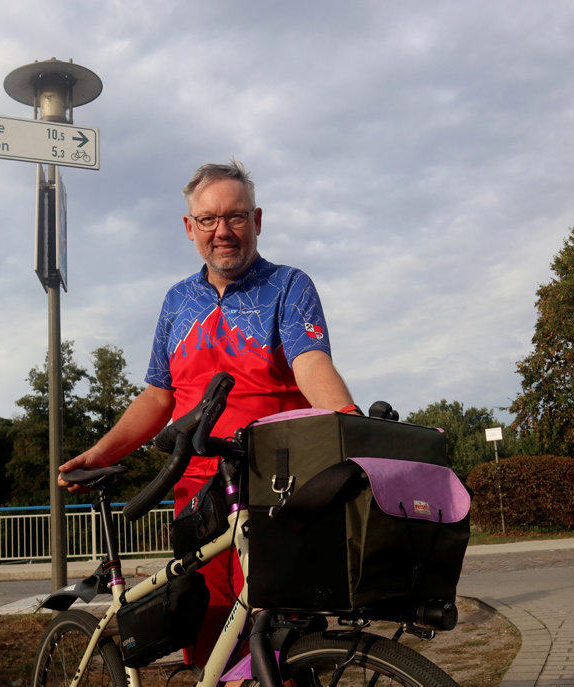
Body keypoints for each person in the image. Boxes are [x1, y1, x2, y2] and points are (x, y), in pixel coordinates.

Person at [58, 159, 359, 665]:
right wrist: (98, 452)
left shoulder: (288, 286)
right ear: (189, 227)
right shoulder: (176, 301)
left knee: (274, 635)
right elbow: (159, 396)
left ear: (257, 220)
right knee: (211, 639)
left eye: (236, 217)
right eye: (208, 219)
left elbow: (310, 363)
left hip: (274, 485)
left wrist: (351, 423)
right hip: (196, 494)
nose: (223, 231)